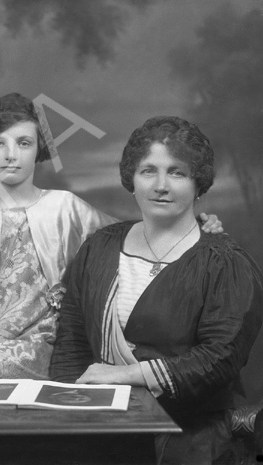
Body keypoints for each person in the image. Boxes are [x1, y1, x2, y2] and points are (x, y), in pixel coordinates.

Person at [0, 94, 222, 381]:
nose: (10, 154)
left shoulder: (66, 207)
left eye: (24, 143)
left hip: (51, 346)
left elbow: (132, 236)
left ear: (40, 148)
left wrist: (193, 226)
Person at [49, 116, 262, 463]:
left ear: (198, 184)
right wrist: (70, 415)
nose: (161, 185)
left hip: (191, 435)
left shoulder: (225, 263)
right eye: (148, 170)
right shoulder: (99, 248)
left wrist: (126, 375)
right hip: (102, 428)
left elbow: (219, 359)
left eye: (176, 172)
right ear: (131, 179)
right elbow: (71, 344)